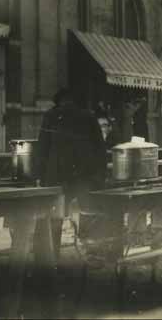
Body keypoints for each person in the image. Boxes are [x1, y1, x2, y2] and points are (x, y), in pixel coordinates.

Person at [35, 88, 108, 258]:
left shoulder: (51, 116)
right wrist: (100, 176)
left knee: (54, 217)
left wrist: (39, 176)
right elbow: (100, 148)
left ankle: (50, 255)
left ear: (59, 100)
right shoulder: (88, 116)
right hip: (84, 175)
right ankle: (91, 252)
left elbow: (42, 148)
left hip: (57, 176)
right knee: (88, 211)